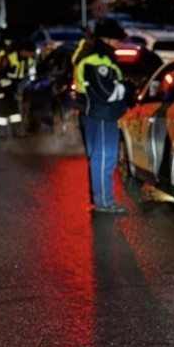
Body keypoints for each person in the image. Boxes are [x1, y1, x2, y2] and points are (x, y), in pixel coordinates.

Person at [74, 18, 131, 214]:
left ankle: (102, 199)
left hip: (96, 115)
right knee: (104, 159)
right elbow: (107, 92)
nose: (119, 44)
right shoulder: (96, 60)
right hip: (102, 115)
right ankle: (105, 202)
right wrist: (127, 89)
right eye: (117, 40)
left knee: (101, 158)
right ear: (107, 39)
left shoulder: (94, 56)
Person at [0, 35, 35, 138]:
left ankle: (17, 130)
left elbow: (26, 75)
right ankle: (1, 131)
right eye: (30, 52)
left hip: (13, 85)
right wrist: (3, 86)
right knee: (3, 107)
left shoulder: (29, 60)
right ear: (23, 51)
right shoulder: (9, 57)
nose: (31, 54)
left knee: (14, 107)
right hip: (1, 85)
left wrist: (17, 89)